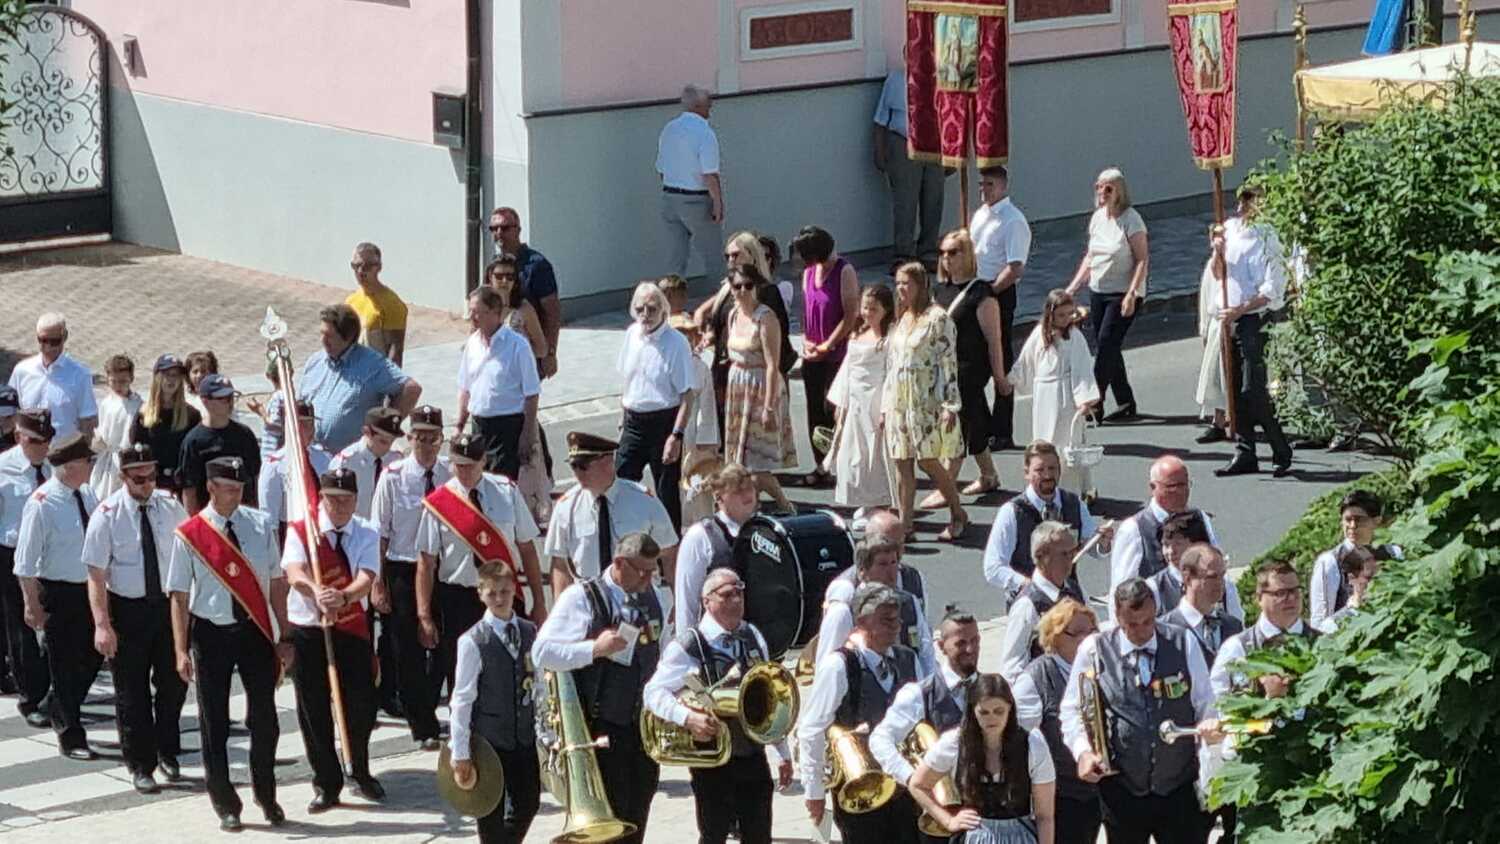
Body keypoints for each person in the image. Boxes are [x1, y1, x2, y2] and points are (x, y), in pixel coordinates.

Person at [166, 456, 291, 831]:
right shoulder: (190, 534)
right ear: (211, 488)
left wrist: (284, 635)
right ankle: (225, 802)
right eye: (229, 489)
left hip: (254, 630)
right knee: (214, 721)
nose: (236, 496)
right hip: (211, 632)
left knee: (265, 719)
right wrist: (180, 649)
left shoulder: (260, 524)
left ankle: (266, 793)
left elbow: (276, 582)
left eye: (240, 489)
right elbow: (179, 596)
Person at [535, 531, 673, 844]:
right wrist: (594, 649)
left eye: (653, 571)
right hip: (601, 726)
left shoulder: (654, 595)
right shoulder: (582, 597)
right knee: (611, 816)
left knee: (637, 810)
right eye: (642, 571)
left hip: (642, 726)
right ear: (619, 563)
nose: (648, 579)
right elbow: (542, 652)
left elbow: (663, 649)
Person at [1062, 579, 1218, 844]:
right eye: (1132, 625)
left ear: (1155, 611)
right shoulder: (1095, 649)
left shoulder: (1182, 642)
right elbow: (1071, 709)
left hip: (1177, 785)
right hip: (1122, 788)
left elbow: (1205, 701)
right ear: (1117, 616)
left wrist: (1209, 725)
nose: (1142, 631)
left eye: (1148, 622)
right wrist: (1083, 751)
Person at [644, 568, 792, 844]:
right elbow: (653, 692)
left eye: (739, 593)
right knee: (714, 834)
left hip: (752, 752)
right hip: (713, 759)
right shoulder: (690, 643)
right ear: (707, 601)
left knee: (760, 834)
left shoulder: (752, 634)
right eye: (727, 595)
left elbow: (770, 697)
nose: (736, 600)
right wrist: (687, 718)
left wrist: (782, 751)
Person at [82, 442, 189, 793]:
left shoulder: (170, 507)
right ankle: (141, 764)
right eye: (139, 479)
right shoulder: (107, 515)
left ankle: (167, 750)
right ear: (123, 477)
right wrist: (102, 625)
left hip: (167, 606)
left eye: (151, 476)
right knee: (132, 692)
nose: (147, 484)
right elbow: (96, 575)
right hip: (128, 610)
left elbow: (189, 552)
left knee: (174, 683)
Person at [281, 468, 384, 811]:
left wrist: (344, 597)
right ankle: (326, 781)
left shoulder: (367, 530)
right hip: (309, 627)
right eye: (332, 500)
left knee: (361, 704)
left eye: (346, 500)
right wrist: (316, 591)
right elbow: (293, 571)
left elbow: (367, 575)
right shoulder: (302, 530)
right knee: (314, 707)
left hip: (350, 625)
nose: (339, 507)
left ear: (356, 500)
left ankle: (360, 769)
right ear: (321, 499)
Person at [416, 433, 545, 700]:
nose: (464, 472)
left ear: (484, 461)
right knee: (463, 676)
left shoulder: (506, 492)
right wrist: (424, 615)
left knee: (513, 669)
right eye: (459, 465)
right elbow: (426, 564)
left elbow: (527, 549)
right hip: (459, 599)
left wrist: (539, 601)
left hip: (504, 593)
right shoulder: (440, 502)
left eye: (471, 465)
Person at [799, 583, 923, 844]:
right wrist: (814, 791)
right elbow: (812, 728)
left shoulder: (907, 659)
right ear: (862, 622)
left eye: (897, 619)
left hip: (904, 787)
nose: (896, 626)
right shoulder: (839, 665)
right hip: (860, 790)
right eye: (887, 620)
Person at [16, 434, 103, 760]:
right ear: (69, 466)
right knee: (64, 664)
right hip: (58, 592)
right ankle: (71, 734)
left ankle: (59, 703)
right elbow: (25, 562)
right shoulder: (42, 504)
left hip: (90, 589)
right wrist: (31, 604)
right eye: (87, 461)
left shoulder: (88, 494)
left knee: (94, 656)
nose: (91, 466)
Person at [371, 404, 448, 748]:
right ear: (409, 438)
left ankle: (429, 703)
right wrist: (378, 582)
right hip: (403, 567)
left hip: (443, 568)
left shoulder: (449, 474)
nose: (427, 445)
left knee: (444, 645)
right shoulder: (393, 477)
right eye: (420, 438)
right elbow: (380, 533)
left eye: (433, 438)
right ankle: (423, 724)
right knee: (407, 649)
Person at [448, 562, 542, 843]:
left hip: (523, 736)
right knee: (489, 813)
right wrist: (460, 751)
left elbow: (538, 683)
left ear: (514, 590)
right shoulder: (473, 640)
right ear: (480, 593)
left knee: (528, 803)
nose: (499, 599)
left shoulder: (529, 631)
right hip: (489, 742)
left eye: (505, 592)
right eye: (492, 593)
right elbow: (462, 699)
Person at [907, 673, 1058, 844]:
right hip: (974, 835)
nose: (992, 718)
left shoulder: (1032, 744)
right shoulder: (955, 743)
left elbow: (1044, 816)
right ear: (973, 711)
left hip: (1020, 836)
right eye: (984, 712)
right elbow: (917, 785)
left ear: (1010, 708)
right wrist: (948, 821)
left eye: (999, 711)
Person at [1210, 186, 1294, 478]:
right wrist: (1217, 252)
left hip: (1254, 318)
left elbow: (1271, 289)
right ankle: (1245, 451)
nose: (1242, 208)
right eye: (1241, 201)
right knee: (1234, 389)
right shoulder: (1230, 230)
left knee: (1253, 389)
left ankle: (1280, 449)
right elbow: (1219, 273)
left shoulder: (1269, 237)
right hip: (1230, 317)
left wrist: (1240, 310)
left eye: (1250, 201)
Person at [885, 262, 967, 540]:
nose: (901, 289)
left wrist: (950, 405)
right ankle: (905, 525)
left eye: (906, 283)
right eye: (898, 283)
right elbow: (893, 364)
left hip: (927, 399)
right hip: (900, 401)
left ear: (920, 285)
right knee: (901, 461)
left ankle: (957, 511)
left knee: (928, 460)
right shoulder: (902, 318)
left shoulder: (938, 318)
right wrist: (886, 405)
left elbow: (949, 363)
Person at [546, 432, 679, 598]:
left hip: (638, 597)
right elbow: (560, 565)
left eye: (583, 466)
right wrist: (561, 608)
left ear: (608, 461)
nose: (577, 473)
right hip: (590, 600)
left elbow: (669, 554)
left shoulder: (643, 501)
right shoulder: (566, 507)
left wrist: (678, 601)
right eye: (573, 466)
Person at [1012, 600, 1102, 844]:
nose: (1088, 640)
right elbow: (1021, 737)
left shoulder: (1101, 667)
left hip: (1101, 789)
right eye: (1077, 633)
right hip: (1061, 795)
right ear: (1055, 637)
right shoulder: (1036, 677)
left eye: (1092, 631)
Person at [870, 609, 983, 800]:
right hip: (939, 807)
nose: (970, 649)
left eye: (975, 641)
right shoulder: (919, 694)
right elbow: (880, 739)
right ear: (941, 646)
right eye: (961, 643)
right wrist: (912, 778)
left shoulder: (993, 689)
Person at [1064, 169, 1149, 423]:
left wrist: (1132, 293)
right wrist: (1072, 288)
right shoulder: (1098, 218)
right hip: (1099, 290)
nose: (1102, 192)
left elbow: (1142, 259)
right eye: (1099, 187)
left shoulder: (1131, 220)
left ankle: (1094, 402)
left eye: (1108, 188)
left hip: (1123, 293)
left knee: (1105, 344)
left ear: (1119, 191)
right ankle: (1125, 402)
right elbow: (1091, 257)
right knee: (1108, 346)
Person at [695, 233, 795, 439]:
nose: (731, 260)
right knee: (729, 438)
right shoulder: (727, 289)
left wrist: (770, 402)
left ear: (752, 255)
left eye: (736, 255)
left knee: (759, 443)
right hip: (728, 372)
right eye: (727, 256)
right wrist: (710, 333)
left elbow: (778, 343)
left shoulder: (767, 291)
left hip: (757, 376)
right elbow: (718, 321)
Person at [933, 230, 1009, 500]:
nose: (947, 258)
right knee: (975, 420)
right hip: (946, 367)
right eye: (943, 252)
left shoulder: (981, 292)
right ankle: (988, 475)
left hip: (970, 367)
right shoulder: (940, 290)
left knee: (957, 423)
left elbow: (994, 339)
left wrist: (999, 377)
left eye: (953, 252)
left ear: (967, 255)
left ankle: (946, 485)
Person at [982, 442, 1111, 601]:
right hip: (1027, 601)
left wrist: (1103, 543)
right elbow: (993, 567)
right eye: (1040, 470)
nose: (1047, 475)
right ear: (1026, 473)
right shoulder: (1011, 512)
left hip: (1068, 599)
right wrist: (1027, 584)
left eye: (1052, 468)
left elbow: (1094, 548)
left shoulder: (1074, 503)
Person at [616, 282, 696, 531]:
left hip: (664, 423)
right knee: (621, 482)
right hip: (633, 421)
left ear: (663, 310)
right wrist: (622, 419)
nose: (645, 315)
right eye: (640, 309)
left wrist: (676, 435)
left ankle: (670, 547)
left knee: (666, 491)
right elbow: (627, 381)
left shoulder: (676, 342)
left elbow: (687, 394)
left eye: (651, 309)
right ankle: (626, 535)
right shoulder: (632, 334)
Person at [720, 264, 797, 514]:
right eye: (737, 286)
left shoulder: (766, 317)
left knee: (757, 462)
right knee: (740, 460)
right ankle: (751, 505)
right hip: (738, 385)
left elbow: (773, 364)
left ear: (756, 287)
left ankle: (784, 505)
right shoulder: (733, 314)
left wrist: (769, 406)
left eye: (748, 285)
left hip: (761, 385)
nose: (743, 291)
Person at [1008, 291, 1101, 496]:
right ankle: (1043, 484)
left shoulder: (1075, 337)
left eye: (1069, 314)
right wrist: (1011, 379)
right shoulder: (1039, 334)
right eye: (1061, 315)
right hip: (1044, 397)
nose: (1066, 319)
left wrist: (1084, 400)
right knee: (1045, 441)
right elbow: (1026, 361)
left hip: (1067, 398)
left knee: (1068, 444)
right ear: (1050, 314)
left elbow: (1083, 367)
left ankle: (1071, 491)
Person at [298, 303, 423, 453]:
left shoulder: (372, 365)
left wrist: (386, 427)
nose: (323, 340)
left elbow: (411, 389)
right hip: (310, 455)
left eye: (329, 336)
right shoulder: (315, 362)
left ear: (348, 337)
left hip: (350, 459)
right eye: (322, 333)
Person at [486, 255, 554, 521]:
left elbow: (541, 347)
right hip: (492, 392)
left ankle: (529, 506)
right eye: (499, 276)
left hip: (518, 389)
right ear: (490, 278)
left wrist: (519, 355)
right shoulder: (483, 307)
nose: (504, 281)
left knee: (527, 445)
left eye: (510, 277)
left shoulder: (523, 310)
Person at [792, 225, 861, 484]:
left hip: (837, 354)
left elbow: (851, 315)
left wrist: (829, 344)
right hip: (813, 353)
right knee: (814, 411)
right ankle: (821, 465)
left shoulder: (844, 271)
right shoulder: (809, 273)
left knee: (834, 410)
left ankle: (841, 464)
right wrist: (807, 341)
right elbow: (806, 311)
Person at [970, 166, 1032, 453]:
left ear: (1004, 186)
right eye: (982, 184)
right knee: (974, 356)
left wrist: (992, 292)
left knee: (1000, 358)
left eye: (990, 184)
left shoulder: (1013, 220)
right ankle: (981, 425)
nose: (984, 190)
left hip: (998, 292)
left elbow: (1015, 266)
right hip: (977, 289)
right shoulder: (980, 215)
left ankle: (1002, 430)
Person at [813, 535, 937, 677]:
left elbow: (926, 652)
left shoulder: (910, 602)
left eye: (894, 562)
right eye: (883, 564)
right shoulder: (844, 610)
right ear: (862, 570)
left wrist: (929, 685)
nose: (891, 571)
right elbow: (827, 666)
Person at [824, 285, 896, 525]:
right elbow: (847, 369)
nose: (867, 313)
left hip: (876, 398)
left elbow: (891, 373)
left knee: (874, 453)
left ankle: (881, 502)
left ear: (886, 310)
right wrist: (841, 403)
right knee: (854, 453)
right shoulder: (858, 332)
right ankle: (864, 500)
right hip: (855, 399)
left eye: (873, 309)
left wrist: (886, 408)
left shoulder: (889, 338)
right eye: (865, 307)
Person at [0, 410, 54, 726]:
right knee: (22, 627)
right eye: (35, 442)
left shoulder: (52, 465)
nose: (42, 448)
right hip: (13, 554)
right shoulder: (4, 468)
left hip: (49, 555)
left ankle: (52, 691)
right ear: (20, 437)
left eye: (46, 441)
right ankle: (30, 696)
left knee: (53, 626)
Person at [456, 286, 541, 482]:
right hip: (479, 426)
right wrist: (459, 426)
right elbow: (465, 388)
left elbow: (532, 393)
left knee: (502, 484)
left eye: (477, 312)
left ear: (495, 312)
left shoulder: (518, 345)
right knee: (478, 482)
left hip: (507, 427)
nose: (471, 317)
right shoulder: (472, 344)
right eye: (470, 311)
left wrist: (527, 434)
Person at [1109, 455, 1221, 594]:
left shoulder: (1200, 518)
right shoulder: (1134, 529)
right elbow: (1121, 590)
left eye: (1184, 485)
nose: (1181, 492)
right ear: (1153, 487)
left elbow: (1218, 565)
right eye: (1172, 487)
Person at [1210, 561, 1318, 701]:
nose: (1291, 598)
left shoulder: (1321, 644)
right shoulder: (1238, 648)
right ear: (1259, 598)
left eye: (1295, 591)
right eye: (1281, 593)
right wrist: (1270, 698)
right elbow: (1218, 703)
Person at [873, 64, 946, 269]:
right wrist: (879, 150)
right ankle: (903, 254)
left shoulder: (942, 76)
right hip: (903, 142)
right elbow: (880, 119)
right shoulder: (896, 80)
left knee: (933, 198)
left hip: (935, 143)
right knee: (905, 201)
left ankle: (928, 251)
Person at [998, 522, 1087, 683]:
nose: (1071, 559)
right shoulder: (1027, 605)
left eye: (1073, 552)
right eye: (1064, 554)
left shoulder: (1075, 590)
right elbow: (1012, 668)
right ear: (1041, 557)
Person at [672, 462, 757, 630]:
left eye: (750, 488)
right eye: (738, 491)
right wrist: (687, 641)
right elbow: (686, 600)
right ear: (719, 497)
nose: (747, 494)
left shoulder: (764, 531)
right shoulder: (700, 536)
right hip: (714, 637)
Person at [657, 84, 725, 279]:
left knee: (675, 258)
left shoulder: (669, 129)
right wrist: (718, 203)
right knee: (713, 256)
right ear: (698, 106)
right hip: (696, 200)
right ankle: (722, 294)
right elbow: (709, 174)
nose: (710, 109)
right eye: (708, 105)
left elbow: (661, 169)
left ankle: (671, 295)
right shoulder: (704, 133)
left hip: (669, 197)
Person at [488, 206, 562, 379]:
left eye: (505, 228)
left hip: (529, 353)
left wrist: (550, 353)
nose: (499, 233)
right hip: (499, 353)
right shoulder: (494, 264)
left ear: (518, 230)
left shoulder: (537, 265)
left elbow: (552, 312)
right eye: (494, 228)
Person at [1308, 489, 1400, 626]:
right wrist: (1351, 610)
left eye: (1359, 520)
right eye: (1347, 519)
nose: (1352, 526)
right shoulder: (1330, 562)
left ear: (1377, 521)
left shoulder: (1393, 553)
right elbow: (1318, 626)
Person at [178, 374, 262, 514]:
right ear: (205, 401)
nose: (229, 403)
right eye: (222, 398)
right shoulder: (194, 442)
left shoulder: (245, 435)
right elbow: (189, 490)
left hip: (244, 515)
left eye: (231, 397)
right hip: (211, 517)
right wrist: (195, 522)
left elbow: (256, 478)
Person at [8, 312, 97, 442]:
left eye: (54, 341)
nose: (48, 347)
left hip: (63, 451)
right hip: (28, 449)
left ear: (65, 337)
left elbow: (87, 421)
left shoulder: (80, 375)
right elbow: (10, 412)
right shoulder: (22, 371)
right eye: (43, 341)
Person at [1144, 511, 1244, 621]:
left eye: (1178, 544)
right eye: (1166, 545)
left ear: (1197, 545)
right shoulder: (1155, 587)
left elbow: (1236, 621)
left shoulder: (1223, 583)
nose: (1171, 552)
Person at [258, 399, 335, 533]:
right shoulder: (275, 466)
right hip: (290, 530)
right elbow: (269, 517)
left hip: (321, 528)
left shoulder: (324, 459)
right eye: (301, 424)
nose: (306, 430)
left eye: (310, 424)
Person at [130, 354, 202, 496]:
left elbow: (194, 457)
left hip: (181, 487)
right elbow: (136, 454)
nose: (172, 380)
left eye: (176, 376)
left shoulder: (191, 415)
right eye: (167, 374)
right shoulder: (143, 415)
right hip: (152, 486)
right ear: (157, 377)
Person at [1162, 544, 1244, 665]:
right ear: (1187, 578)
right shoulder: (1165, 630)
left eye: (1222, 575)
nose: (1220, 583)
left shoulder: (1233, 626)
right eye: (1212, 577)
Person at [330, 407, 403, 520]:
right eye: (383, 441)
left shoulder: (396, 460)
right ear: (366, 432)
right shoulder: (346, 463)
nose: (387, 448)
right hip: (354, 527)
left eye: (392, 441)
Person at [345, 241, 410, 365]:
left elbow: (395, 352)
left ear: (379, 267)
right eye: (356, 266)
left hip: (376, 373)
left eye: (367, 266)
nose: (360, 271)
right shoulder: (350, 301)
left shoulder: (392, 304)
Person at [90, 354, 143, 501]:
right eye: (114, 381)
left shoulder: (137, 405)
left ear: (131, 379)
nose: (118, 386)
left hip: (127, 459)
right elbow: (102, 431)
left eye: (123, 381)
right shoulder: (106, 403)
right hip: (107, 460)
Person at [1318, 545, 1381, 633]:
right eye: (1369, 578)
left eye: (1379, 576)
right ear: (1351, 579)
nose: (1377, 582)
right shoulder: (1332, 625)